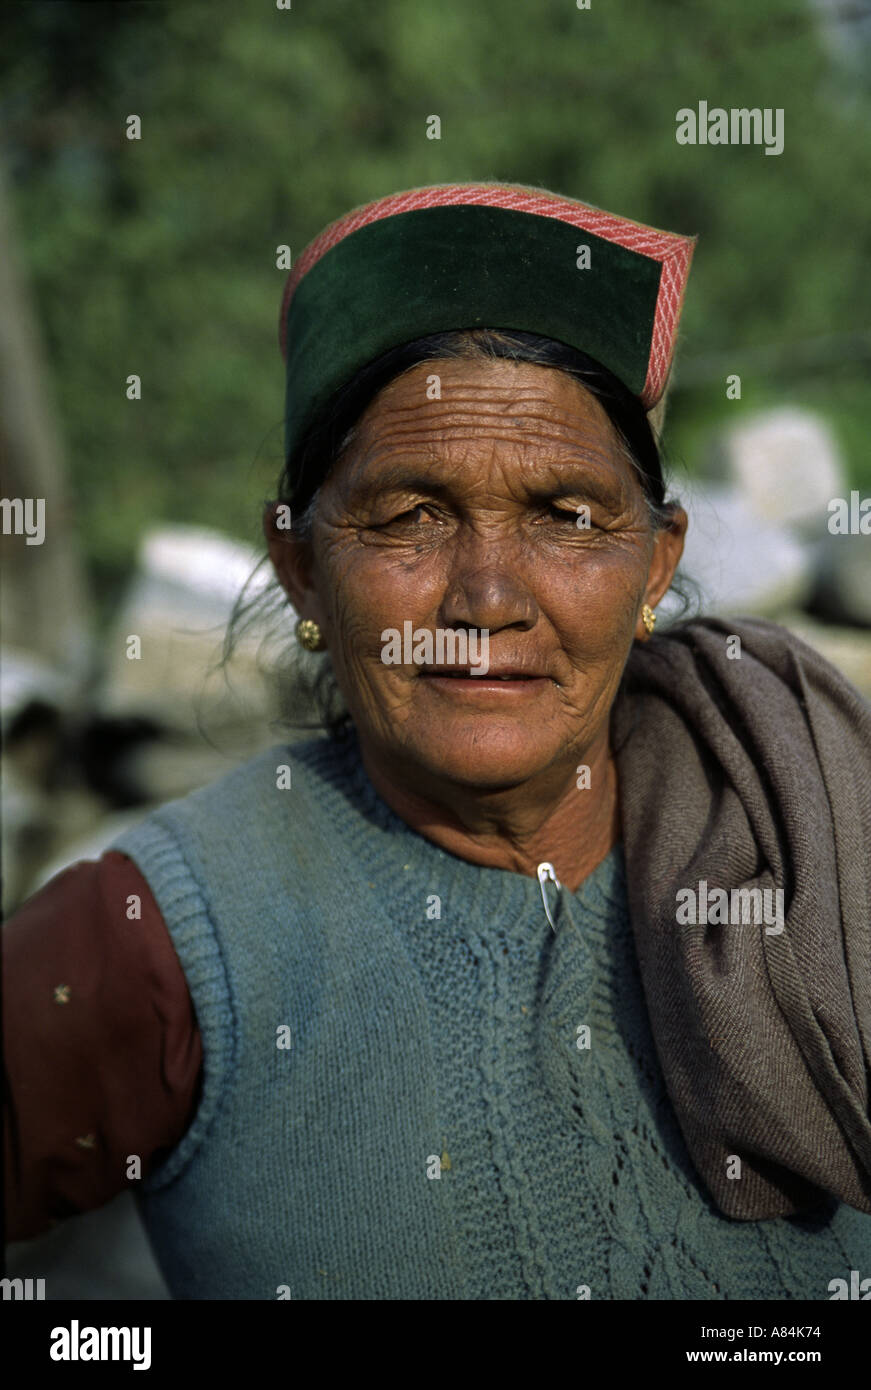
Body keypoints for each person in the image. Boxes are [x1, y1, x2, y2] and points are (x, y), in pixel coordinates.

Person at [5, 182, 871, 1300]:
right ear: (303, 564)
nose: (489, 597)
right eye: (410, 515)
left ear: (655, 565)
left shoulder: (807, 827)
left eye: (567, 515)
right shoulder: (158, 942)